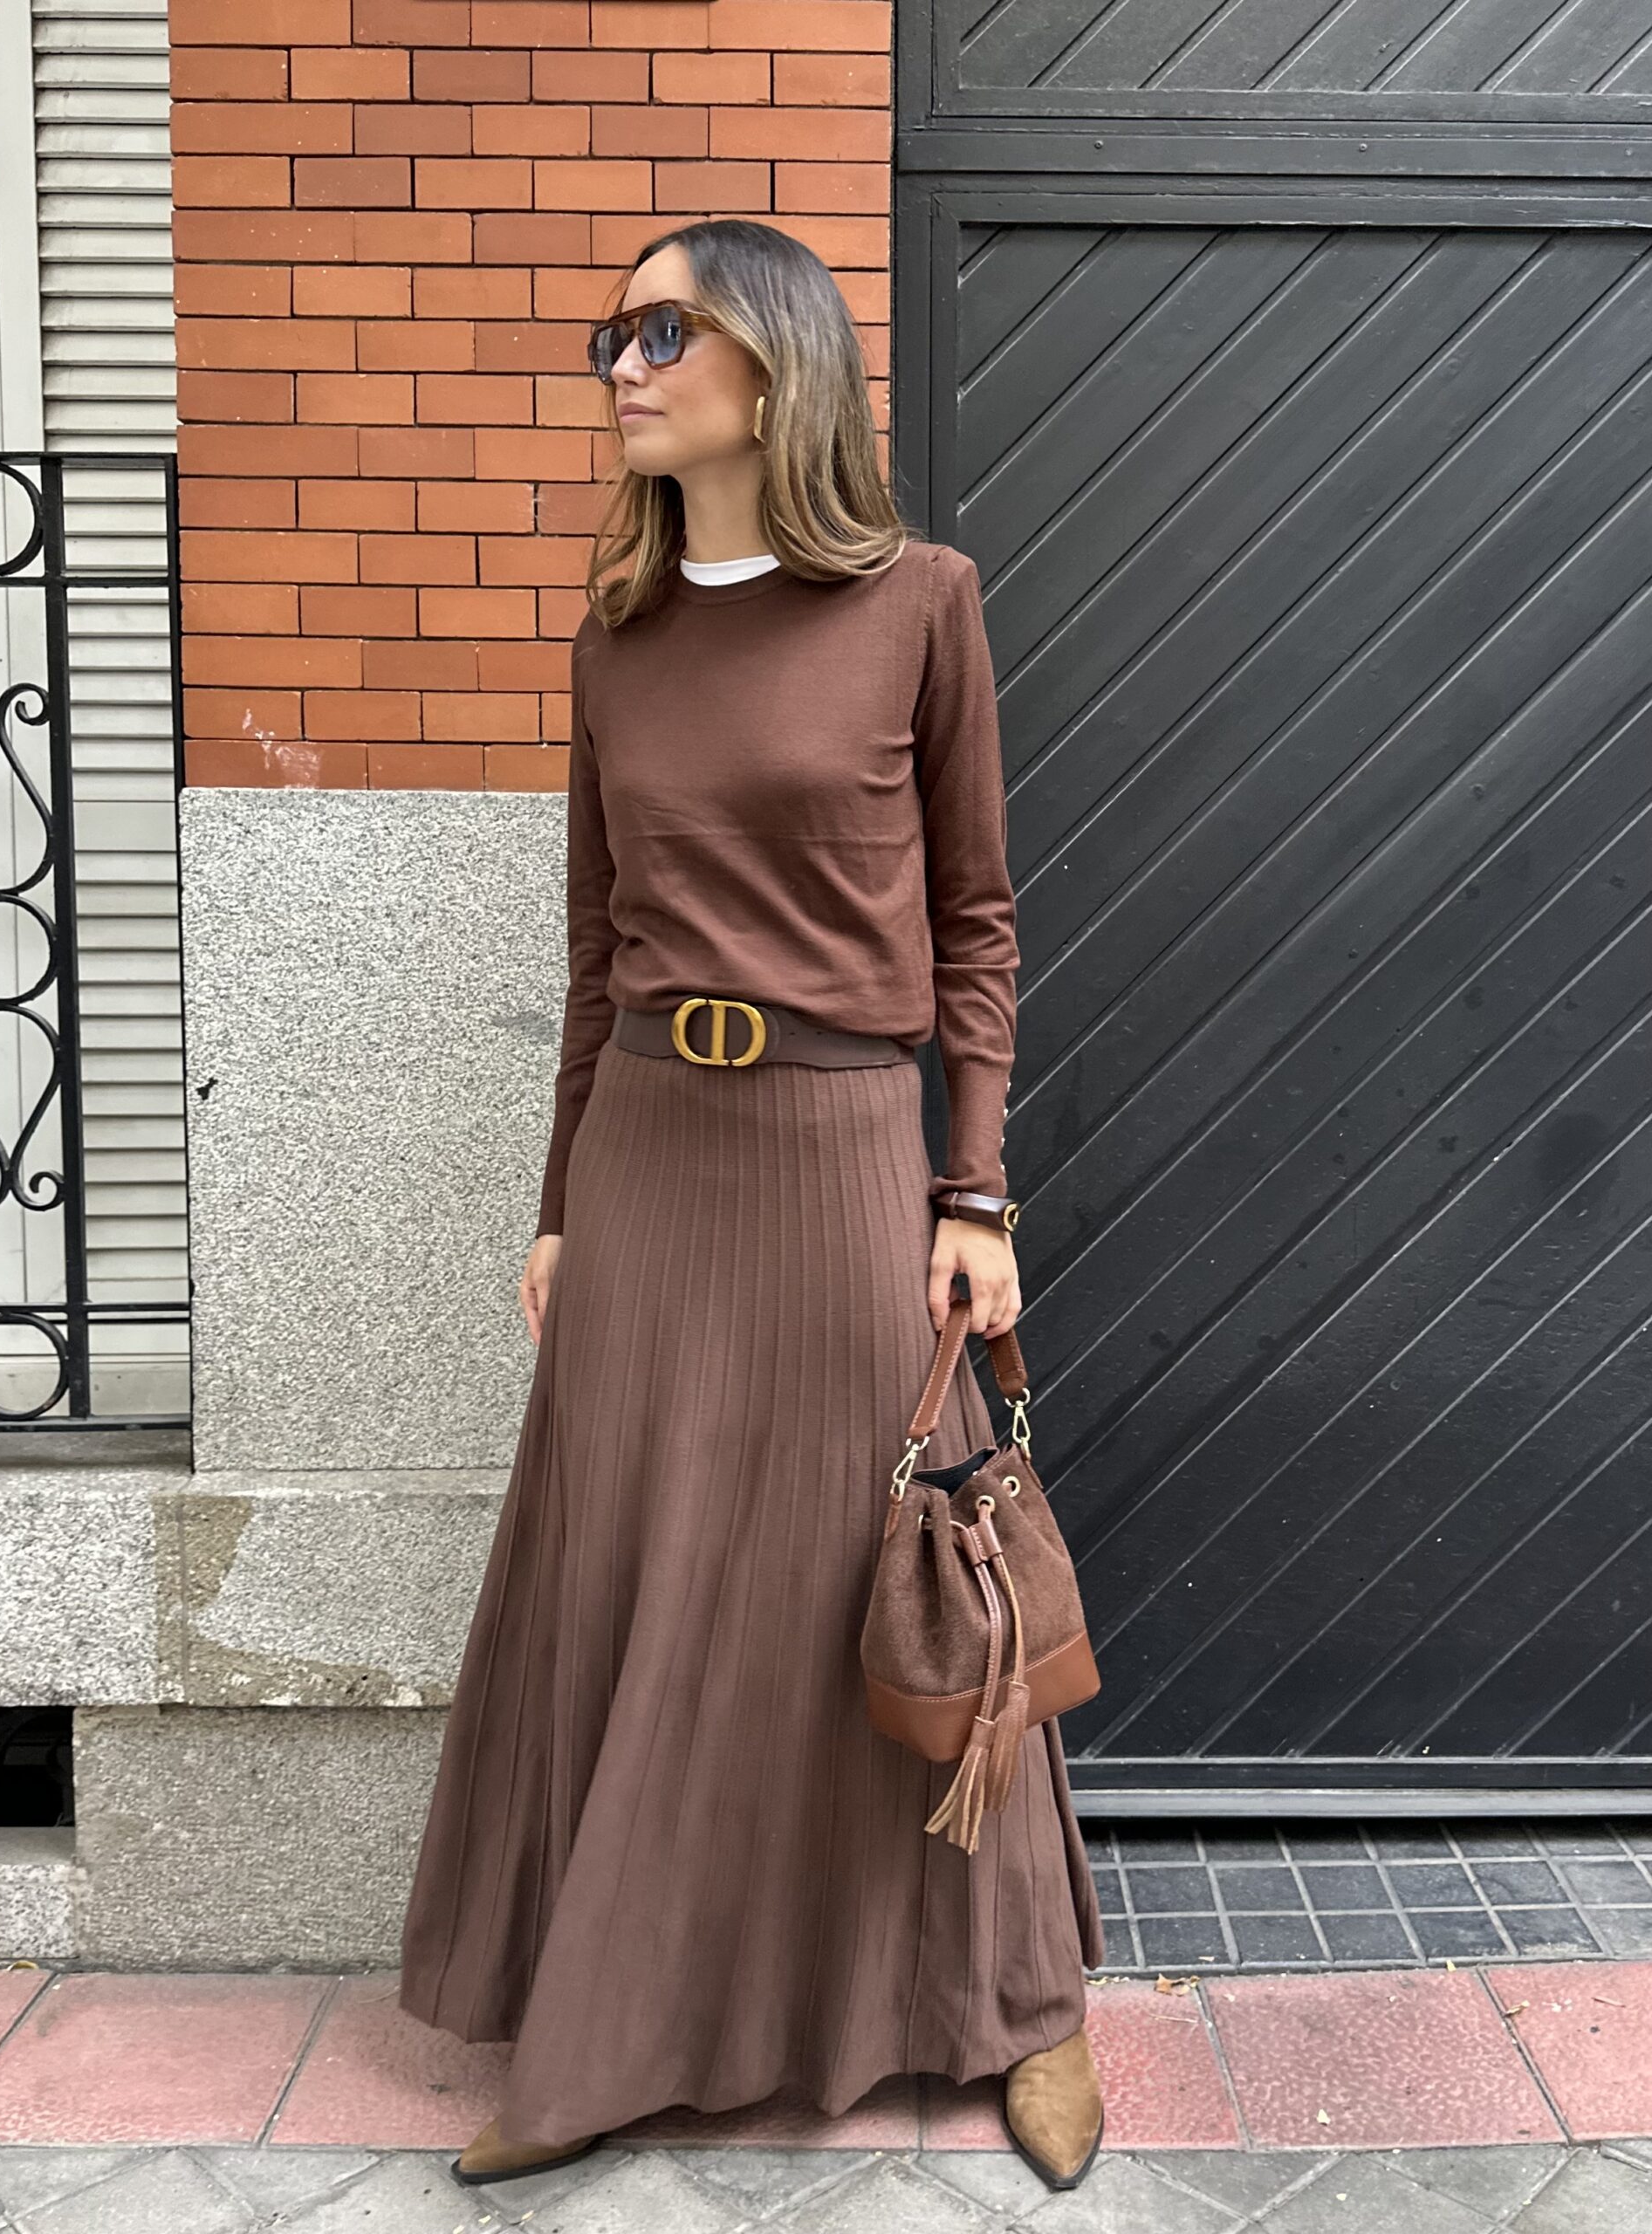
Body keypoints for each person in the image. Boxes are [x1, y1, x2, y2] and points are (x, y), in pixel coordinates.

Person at [396, 216, 1107, 2196]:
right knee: (638, 1588)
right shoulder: (616, 640)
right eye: (613, 337)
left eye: (661, 332)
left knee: (891, 1568)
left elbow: (976, 918)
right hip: (647, 1153)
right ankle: (614, 2029)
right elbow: (593, 946)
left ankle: (1016, 2003)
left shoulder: (919, 603)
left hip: (841, 1151)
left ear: (777, 362)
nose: (621, 368)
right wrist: (559, 1201)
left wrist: (976, 1186)